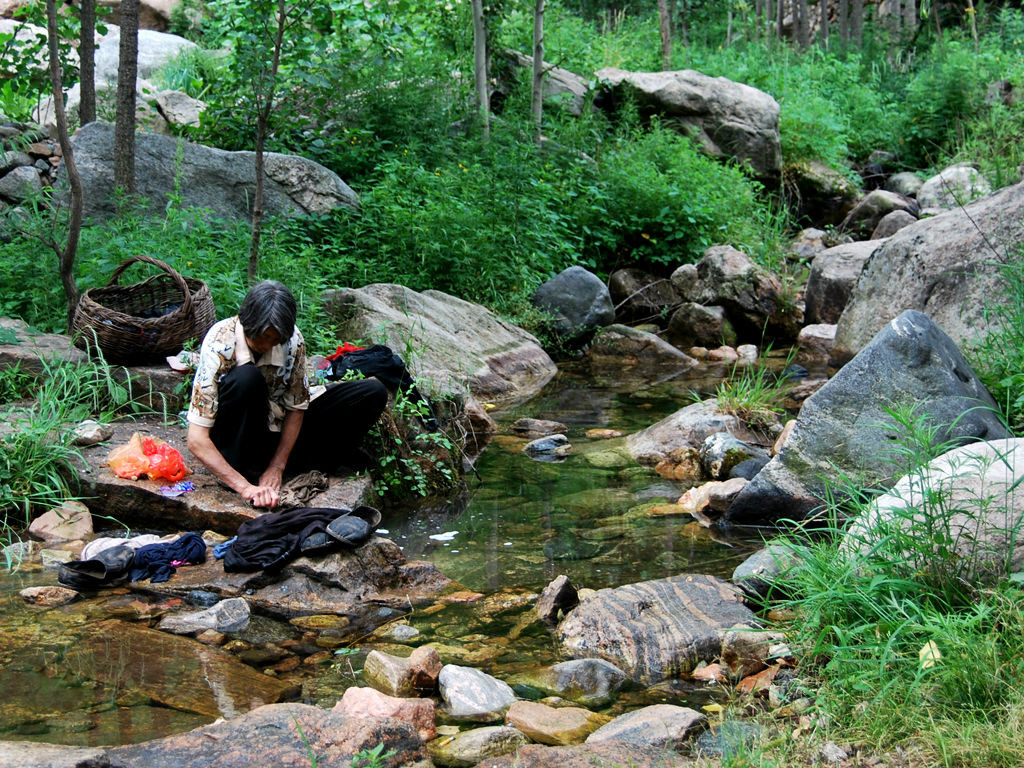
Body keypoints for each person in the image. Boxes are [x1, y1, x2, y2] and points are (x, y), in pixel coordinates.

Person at [186, 280, 388, 508]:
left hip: (276, 435)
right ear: (247, 321)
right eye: (262, 337)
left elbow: (296, 408)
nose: (267, 345)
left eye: (275, 340)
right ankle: (246, 469)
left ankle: (293, 465)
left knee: (371, 392)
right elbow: (196, 439)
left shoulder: (292, 341)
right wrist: (245, 488)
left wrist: (277, 466)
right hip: (237, 439)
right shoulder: (219, 342)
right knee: (248, 378)